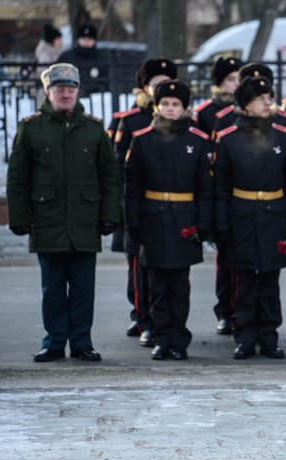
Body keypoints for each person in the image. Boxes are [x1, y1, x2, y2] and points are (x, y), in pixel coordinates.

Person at [6, 63, 120, 362]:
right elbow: (17, 178)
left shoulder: (94, 129)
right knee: (53, 289)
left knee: (83, 289)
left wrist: (110, 215)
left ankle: (81, 341)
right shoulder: (31, 128)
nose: (66, 94)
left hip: (85, 220)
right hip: (48, 220)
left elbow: (110, 176)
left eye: (71, 89)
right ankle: (54, 341)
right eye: (60, 90)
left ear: (78, 91)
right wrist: (18, 217)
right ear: (49, 92)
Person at [124, 80, 213, 360]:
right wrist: (133, 222)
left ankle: (179, 339)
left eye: (175, 104)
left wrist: (203, 223)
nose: (170, 109)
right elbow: (132, 187)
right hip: (152, 219)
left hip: (184, 220)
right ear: (156, 106)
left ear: (184, 108)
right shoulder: (142, 140)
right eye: (165, 104)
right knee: (157, 283)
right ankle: (161, 337)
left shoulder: (197, 141)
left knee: (179, 283)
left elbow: (205, 189)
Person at [213, 76, 286, 360]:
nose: (268, 103)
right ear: (245, 104)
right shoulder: (228, 139)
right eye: (261, 99)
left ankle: (269, 336)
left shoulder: (284, 137)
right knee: (244, 281)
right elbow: (220, 188)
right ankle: (244, 336)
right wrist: (221, 226)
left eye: (269, 98)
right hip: (241, 217)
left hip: (273, 217)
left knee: (270, 280)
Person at [113, 57, 178, 347]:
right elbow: (119, 170)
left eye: (166, 85)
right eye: (155, 85)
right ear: (144, 87)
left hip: (172, 208)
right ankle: (143, 319)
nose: (161, 90)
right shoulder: (129, 121)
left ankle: (166, 322)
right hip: (139, 205)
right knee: (139, 268)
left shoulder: (179, 118)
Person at [190, 56, 243, 336]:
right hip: (218, 189)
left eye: (239, 78)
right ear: (220, 82)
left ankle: (244, 312)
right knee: (225, 262)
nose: (236, 84)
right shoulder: (208, 113)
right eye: (231, 79)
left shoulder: (246, 109)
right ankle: (224, 310)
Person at [56, 23, 108, 97]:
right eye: (83, 38)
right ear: (78, 39)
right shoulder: (67, 57)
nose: (86, 41)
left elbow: (108, 80)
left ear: (94, 40)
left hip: (97, 99)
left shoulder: (102, 57)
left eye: (89, 39)